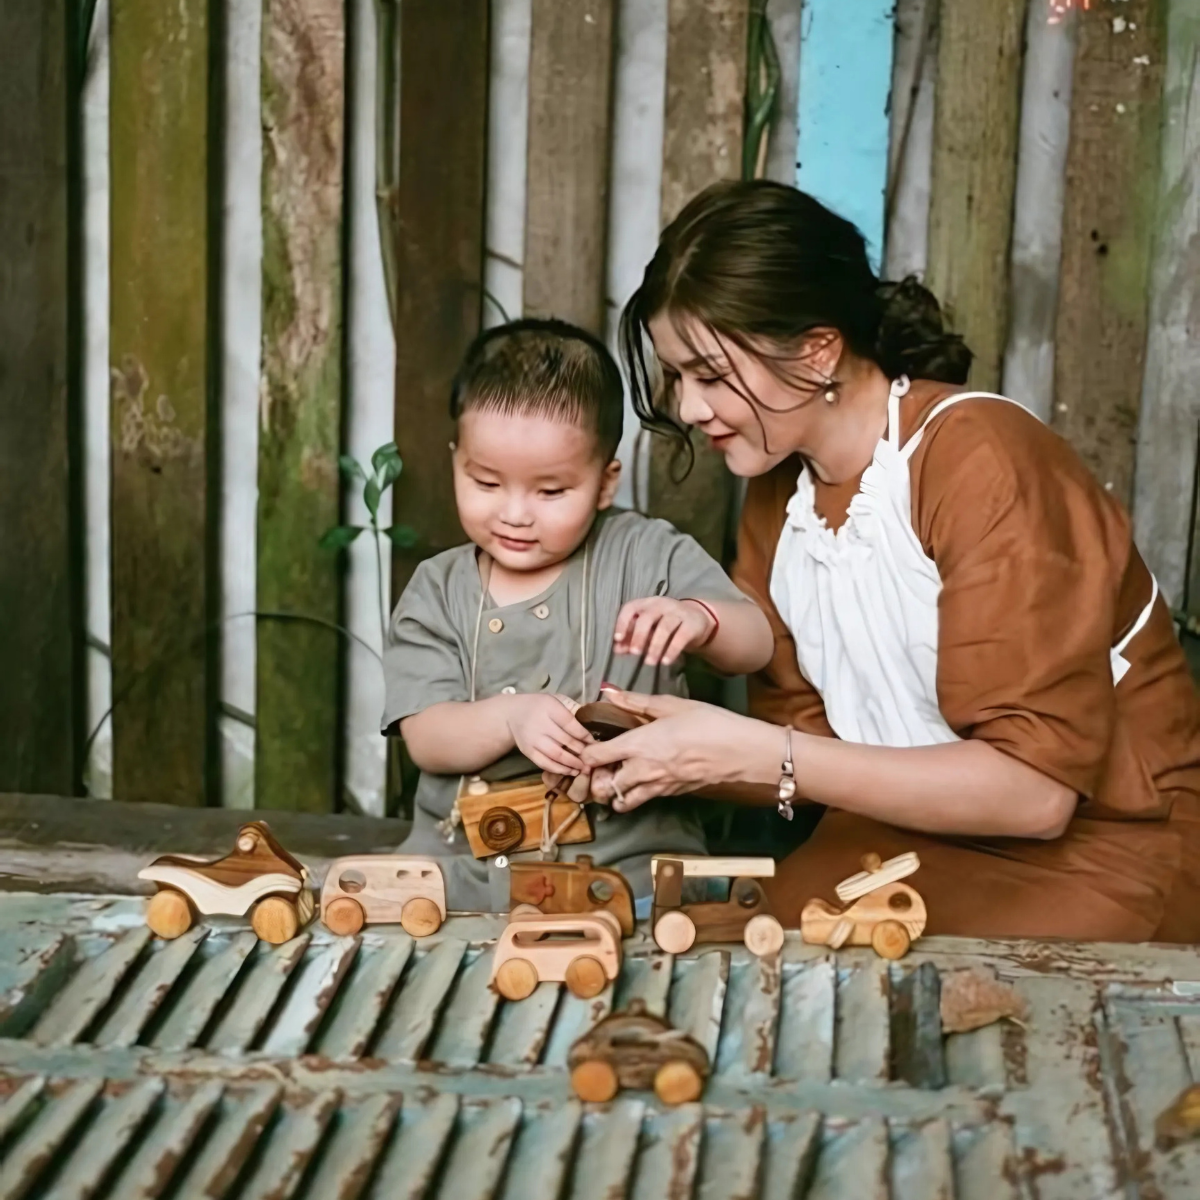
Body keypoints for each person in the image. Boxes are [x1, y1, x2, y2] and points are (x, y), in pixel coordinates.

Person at [578, 180, 1200, 942]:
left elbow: (1037, 797)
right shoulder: (783, 498)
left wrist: (753, 752)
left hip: (1104, 852)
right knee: (724, 966)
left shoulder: (981, 461)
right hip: (893, 839)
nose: (688, 408)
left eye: (708, 374)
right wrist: (657, 747)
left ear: (817, 350)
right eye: (677, 377)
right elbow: (817, 758)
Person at [383, 318, 773, 912]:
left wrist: (702, 618)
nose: (515, 514)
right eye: (486, 481)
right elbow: (427, 737)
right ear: (456, 462)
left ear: (603, 483)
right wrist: (511, 718)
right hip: (463, 871)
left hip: (632, 868)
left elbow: (757, 645)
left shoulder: (645, 555)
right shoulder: (439, 589)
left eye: (551, 491)